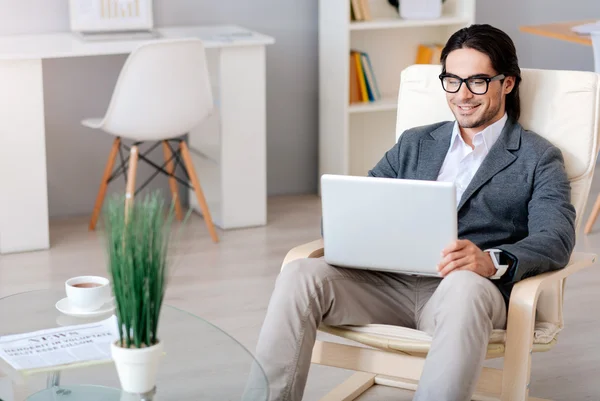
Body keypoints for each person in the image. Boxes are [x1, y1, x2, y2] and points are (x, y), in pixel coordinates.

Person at [253, 24, 576, 401]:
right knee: (300, 273)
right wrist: (352, 232)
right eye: (452, 81)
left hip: (467, 292)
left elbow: (555, 237)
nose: (462, 95)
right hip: (386, 285)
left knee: (465, 287)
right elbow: (355, 206)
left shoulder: (538, 157)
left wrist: (490, 262)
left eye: (477, 81)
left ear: (507, 83)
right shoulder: (415, 142)